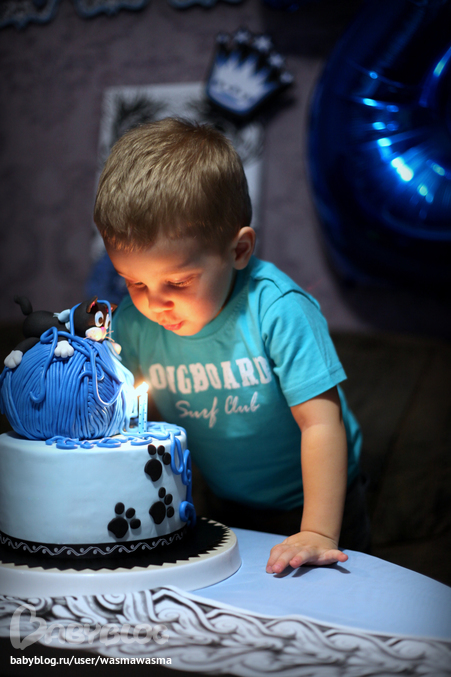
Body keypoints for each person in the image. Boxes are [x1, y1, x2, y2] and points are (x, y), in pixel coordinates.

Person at [94, 117, 370, 574]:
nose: (154, 304)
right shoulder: (134, 324)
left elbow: (321, 423)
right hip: (226, 499)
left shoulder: (278, 309)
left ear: (238, 250)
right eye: (135, 283)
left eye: (177, 282)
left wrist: (319, 531)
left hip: (318, 497)